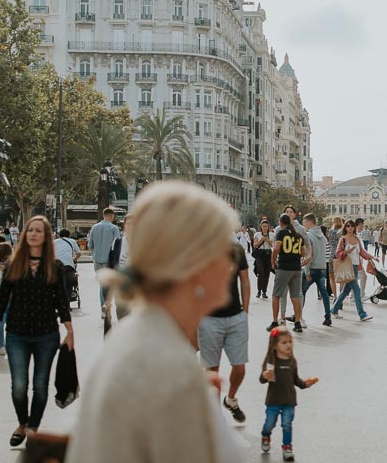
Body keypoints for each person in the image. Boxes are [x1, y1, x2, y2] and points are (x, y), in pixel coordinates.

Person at [66, 181, 246, 463]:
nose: (231, 265)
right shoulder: (169, 370)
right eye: (224, 251)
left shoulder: (140, 339)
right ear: (193, 262)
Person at [0, 216, 74, 447]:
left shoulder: (54, 266)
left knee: (40, 384)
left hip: (47, 334)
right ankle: (22, 422)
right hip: (17, 333)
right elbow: (1, 300)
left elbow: (62, 301)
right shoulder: (13, 265)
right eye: (30, 230)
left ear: (46, 237)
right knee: (18, 385)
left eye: (39, 231)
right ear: (25, 235)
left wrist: (69, 330)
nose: (34, 234)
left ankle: (32, 427)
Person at [195, 239, 250, 426]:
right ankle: (215, 414)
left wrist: (246, 310)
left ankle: (231, 399)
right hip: (209, 318)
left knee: (240, 367)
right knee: (212, 370)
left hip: (236, 316)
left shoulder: (236, 249)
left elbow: (244, 280)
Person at [259, 326, 318, 462]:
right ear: (274, 345)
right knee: (270, 423)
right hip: (273, 400)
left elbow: (296, 380)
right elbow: (262, 379)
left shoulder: (292, 361)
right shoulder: (271, 361)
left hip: (289, 399)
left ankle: (287, 448)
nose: (288, 345)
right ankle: (265, 435)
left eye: (290, 342)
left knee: (287, 425)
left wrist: (306, 383)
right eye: (284, 342)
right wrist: (265, 375)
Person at [270, 213, 308, 333]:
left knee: (276, 295)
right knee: (295, 296)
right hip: (296, 268)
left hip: (284, 267)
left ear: (281, 223)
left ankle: (275, 322)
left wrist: (273, 261)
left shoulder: (281, 233)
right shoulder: (298, 236)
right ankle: (297, 323)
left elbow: (276, 249)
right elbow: (303, 253)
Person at [330, 221, 373, 322]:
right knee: (357, 290)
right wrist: (346, 252)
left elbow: (362, 252)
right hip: (347, 267)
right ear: (345, 228)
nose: (350, 228)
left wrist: (372, 257)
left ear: (354, 228)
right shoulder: (343, 239)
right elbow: (337, 253)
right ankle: (362, 314)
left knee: (345, 291)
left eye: (351, 226)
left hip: (355, 266)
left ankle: (334, 309)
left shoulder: (357, 239)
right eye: (348, 226)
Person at [88, 207, 121, 319]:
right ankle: (108, 306)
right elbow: (117, 246)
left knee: (102, 286)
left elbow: (90, 245)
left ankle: (103, 306)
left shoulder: (94, 227)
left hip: (97, 261)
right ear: (111, 216)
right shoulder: (114, 228)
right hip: (110, 262)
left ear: (103, 215)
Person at [300, 214, 331, 327]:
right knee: (324, 293)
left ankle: (298, 316)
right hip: (322, 268)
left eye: (304, 222)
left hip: (311, 268)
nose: (303, 225)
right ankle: (328, 317)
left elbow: (308, 255)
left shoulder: (308, 236)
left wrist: (307, 271)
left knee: (301, 292)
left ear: (310, 222)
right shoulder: (323, 237)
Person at [252, 219, 274, 299]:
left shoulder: (271, 234)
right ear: (261, 227)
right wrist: (261, 239)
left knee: (266, 273)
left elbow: (273, 245)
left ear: (268, 227)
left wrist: (267, 240)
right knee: (260, 272)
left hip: (268, 253)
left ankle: (264, 291)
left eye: (266, 226)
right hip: (260, 254)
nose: (265, 228)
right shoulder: (257, 234)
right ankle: (259, 290)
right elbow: (255, 245)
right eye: (263, 226)